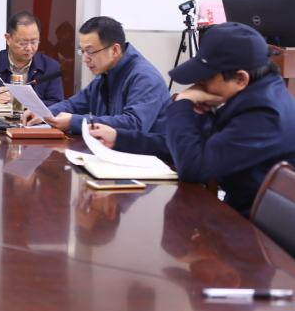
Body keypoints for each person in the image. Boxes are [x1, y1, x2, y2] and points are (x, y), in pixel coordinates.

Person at [89, 22, 295, 217]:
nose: (199, 84)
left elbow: (193, 166)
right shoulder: (249, 96)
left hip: (255, 231)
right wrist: (120, 138)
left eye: (206, 77)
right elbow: (185, 146)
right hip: (234, 215)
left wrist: (183, 103)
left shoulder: (264, 113)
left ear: (240, 79)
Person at [21, 16, 169, 134]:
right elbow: (74, 104)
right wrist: (44, 114)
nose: (85, 59)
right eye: (82, 51)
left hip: (146, 158)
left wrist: (74, 122)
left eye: (90, 52)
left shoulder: (145, 77)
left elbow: (134, 124)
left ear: (115, 50)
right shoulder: (106, 74)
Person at [0, 11, 64, 107]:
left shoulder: (50, 67)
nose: (29, 48)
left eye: (34, 42)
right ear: (8, 38)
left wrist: (29, 104)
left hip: (33, 118)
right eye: (23, 43)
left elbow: (58, 104)